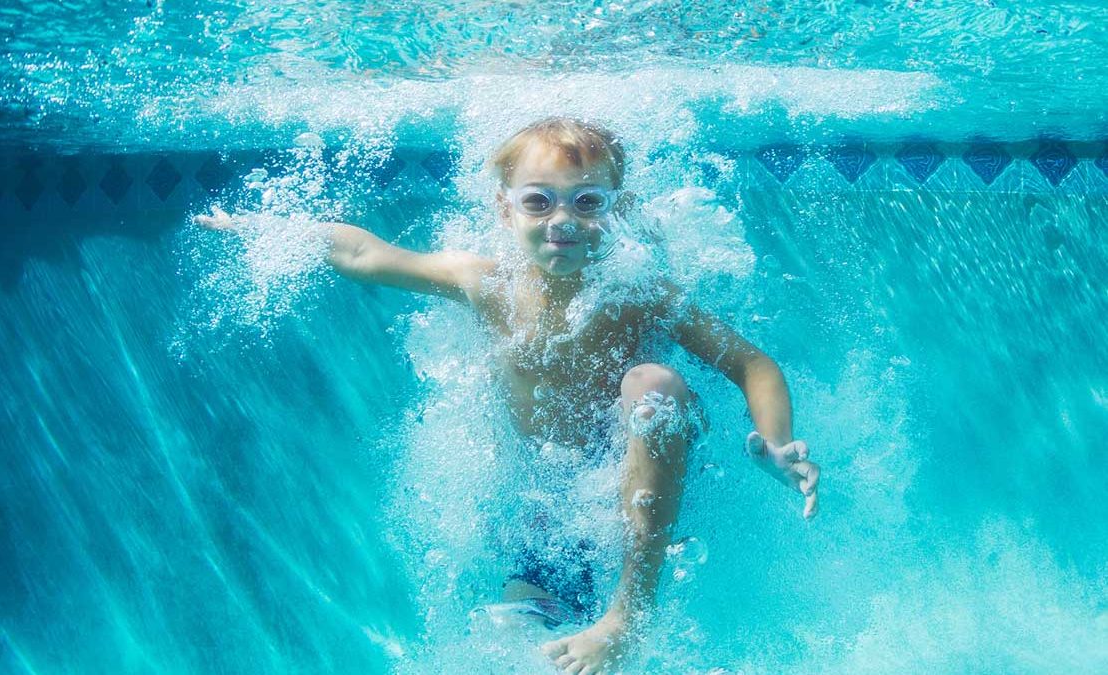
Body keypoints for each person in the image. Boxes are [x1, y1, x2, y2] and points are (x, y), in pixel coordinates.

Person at [195, 117, 820, 674]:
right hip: (551, 501)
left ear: (615, 209)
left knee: (650, 385)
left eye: (587, 202)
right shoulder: (485, 282)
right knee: (516, 640)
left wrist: (775, 443)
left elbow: (753, 364)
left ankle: (628, 616)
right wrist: (274, 231)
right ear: (505, 209)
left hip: (649, 472)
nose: (563, 221)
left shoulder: (640, 290)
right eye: (540, 201)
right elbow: (364, 251)